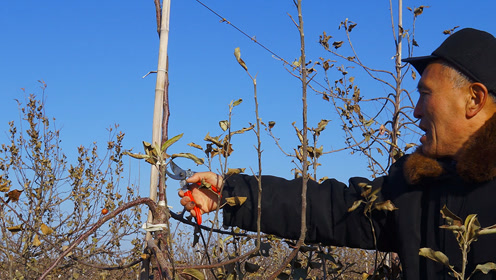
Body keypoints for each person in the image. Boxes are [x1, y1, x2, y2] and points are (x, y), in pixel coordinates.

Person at [178, 28, 496, 279]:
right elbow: (330, 210)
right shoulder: (416, 189)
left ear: (474, 99)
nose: (414, 111)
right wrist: (231, 193)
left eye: (426, 94)